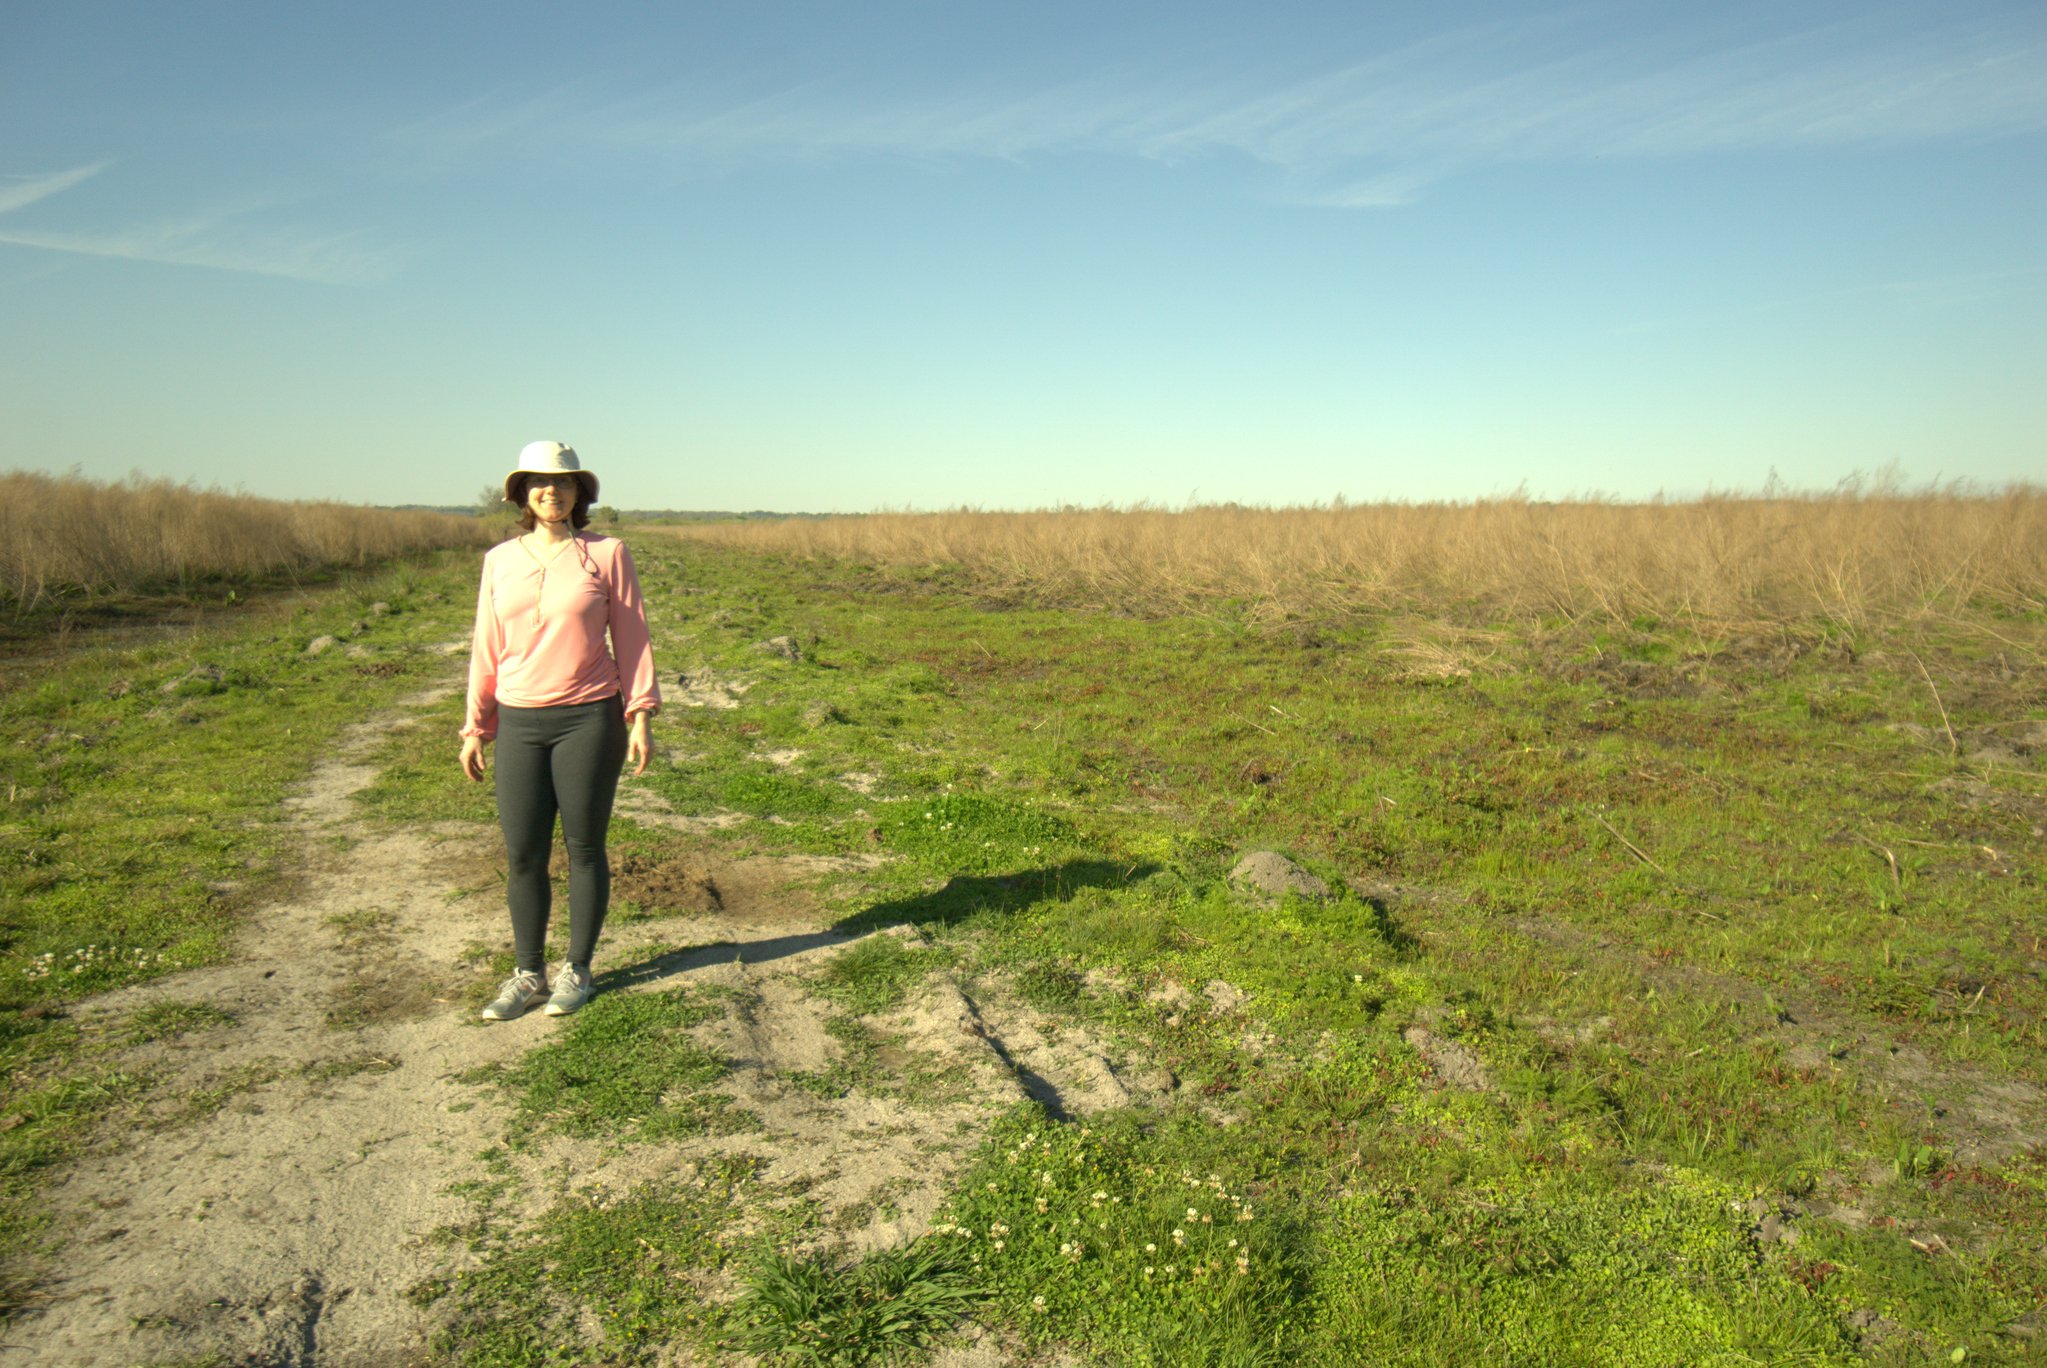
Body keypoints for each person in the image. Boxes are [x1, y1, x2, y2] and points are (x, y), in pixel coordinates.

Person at [459, 441, 660, 1020]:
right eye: (540, 483)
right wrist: (477, 725)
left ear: (580, 493)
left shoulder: (608, 553)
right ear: (522, 493)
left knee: (584, 847)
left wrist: (639, 712)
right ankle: (528, 974)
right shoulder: (500, 560)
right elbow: (486, 647)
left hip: (589, 717)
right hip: (520, 719)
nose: (553, 492)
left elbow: (633, 635)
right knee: (523, 853)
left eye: (564, 483)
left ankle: (578, 968)